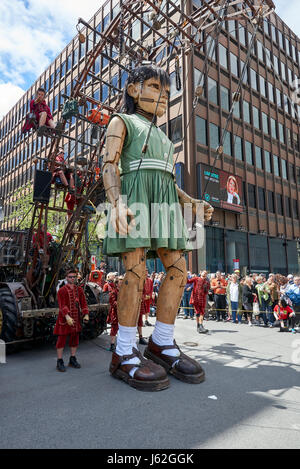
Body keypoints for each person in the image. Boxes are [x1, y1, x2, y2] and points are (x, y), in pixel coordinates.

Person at [102, 64, 214, 391]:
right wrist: (116, 201)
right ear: (133, 89)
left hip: (162, 202)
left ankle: (161, 342)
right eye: (154, 87)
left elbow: (165, 180)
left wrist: (191, 202)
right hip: (133, 198)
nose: (163, 96)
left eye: (166, 91)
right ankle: (123, 352)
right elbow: (109, 164)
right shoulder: (121, 121)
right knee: (135, 274)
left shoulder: (164, 138)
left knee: (179, 271)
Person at [54, 268, 89, 372]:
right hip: (64, 320)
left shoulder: (79, 290)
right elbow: (62, 305)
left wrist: (86, 313)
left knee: (75, 339)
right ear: (66, 277)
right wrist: (67, 316)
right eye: (70, 277)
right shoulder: (61, 290)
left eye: (74, 277)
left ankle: (72, 359)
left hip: (76, 318)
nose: (72, 278)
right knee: (61, 340)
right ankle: (59, 361)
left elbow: (83, 303)